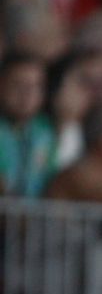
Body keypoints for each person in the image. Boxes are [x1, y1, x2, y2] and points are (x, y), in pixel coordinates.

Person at [0, 53, 55, 198]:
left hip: (34, 216)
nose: (28, 93)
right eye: (19, 85)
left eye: (36, 85)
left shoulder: (44, 130)